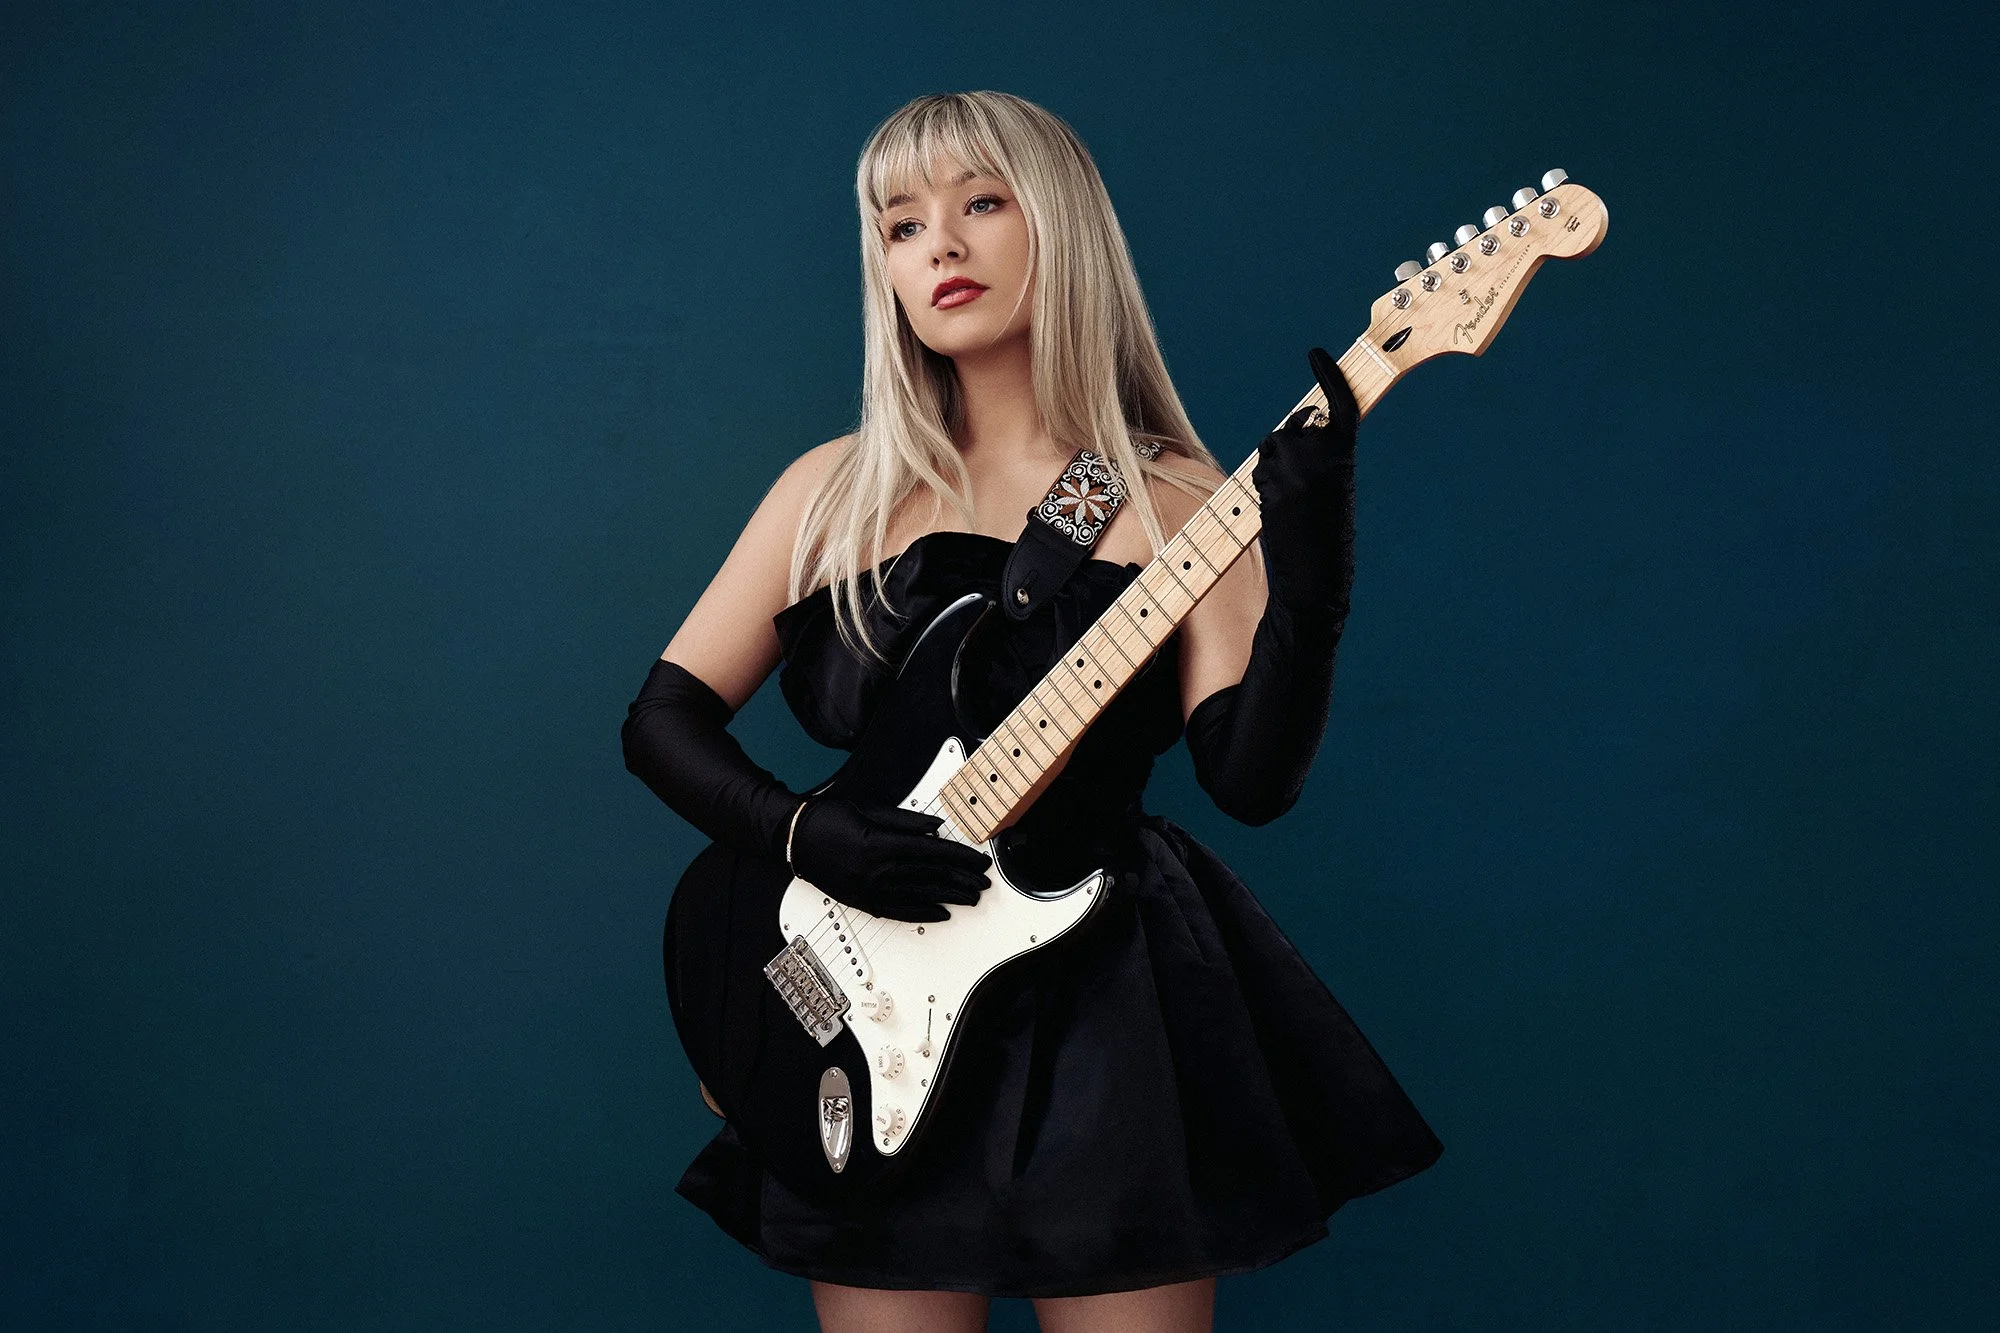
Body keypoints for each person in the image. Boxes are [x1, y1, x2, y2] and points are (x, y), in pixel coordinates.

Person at [622, 91, 1441, 1333]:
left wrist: (1312, 561)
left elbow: (1250, 779)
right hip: (872, 987)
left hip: (1106, 1002)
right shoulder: (830, 493)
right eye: (901, 224)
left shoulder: (1172, 497)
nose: (939, 245)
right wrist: (805, 836)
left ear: (1058, 228)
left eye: (981, 203)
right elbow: (662, 721)